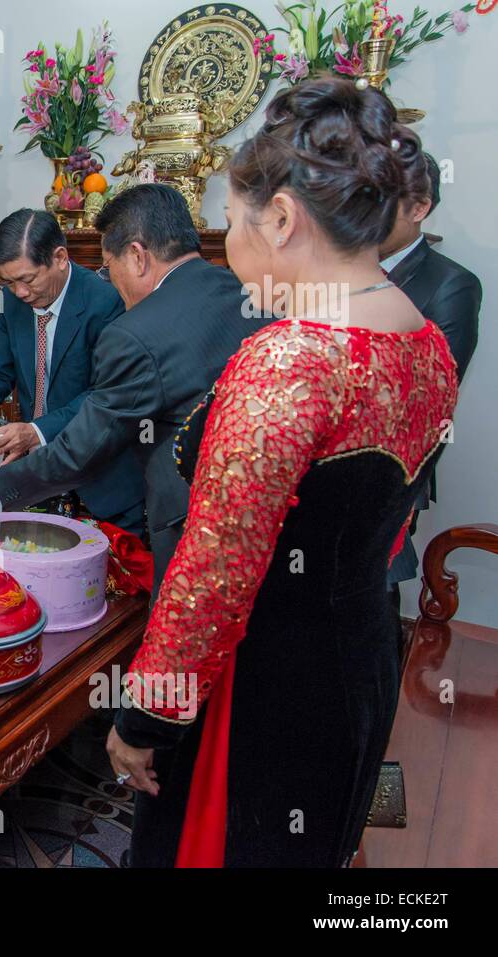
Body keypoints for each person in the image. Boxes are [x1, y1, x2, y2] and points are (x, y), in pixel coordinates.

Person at [105, 78, 458, 867]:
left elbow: (215, 570)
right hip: (359, 657)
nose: (225, 243)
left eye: (229, 221)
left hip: (260, 683)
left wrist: (143, 720)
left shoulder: (292, 361)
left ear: (283, 218)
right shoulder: (424, 339)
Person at [0, 185, 269, 595]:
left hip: (186, 520)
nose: (110, 278)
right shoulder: (247, 294)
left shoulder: (135, 329)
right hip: (254, 513)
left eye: (109, 264)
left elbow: (85, 444)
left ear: (137, 256)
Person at [0, 208, 144, 533]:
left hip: (97, 471)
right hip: (37, 475)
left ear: (60, 258)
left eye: (27, 279)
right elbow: (1, 370)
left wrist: (37, 431)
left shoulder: (106, 301)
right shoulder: (14, 302)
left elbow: (105, 393)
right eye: (9, 282)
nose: (20, 292)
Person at [379, 151, 483, 609]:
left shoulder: (451, 284)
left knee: (375, 593)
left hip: (394, 467)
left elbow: (430, 394)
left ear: (419, 208)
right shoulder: (338, 277)